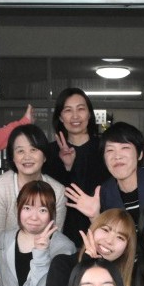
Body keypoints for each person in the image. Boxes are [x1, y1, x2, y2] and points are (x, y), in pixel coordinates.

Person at [44, 88, 110, 247]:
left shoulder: (105, 149)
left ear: (89, 114)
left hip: (101, 232)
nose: (75, 116)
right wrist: (67, 167)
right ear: (60, 117)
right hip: (59, 236)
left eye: (81, 109)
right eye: (68, 110)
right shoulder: (49, 153)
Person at [47, 209, 137, 286]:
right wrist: (87, 264)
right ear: (92, 230)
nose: (109, 241)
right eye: (105, 230)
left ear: (126, 249)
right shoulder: (62, 264)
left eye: (120, 237)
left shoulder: (130, 279)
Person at [0, 124, 67, 239]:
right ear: (13, 157)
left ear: (44, 156)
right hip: (3, 250)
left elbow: (55, 238)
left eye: (33, 150)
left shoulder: (58, 192)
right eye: (20, 151)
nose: (27, 157)